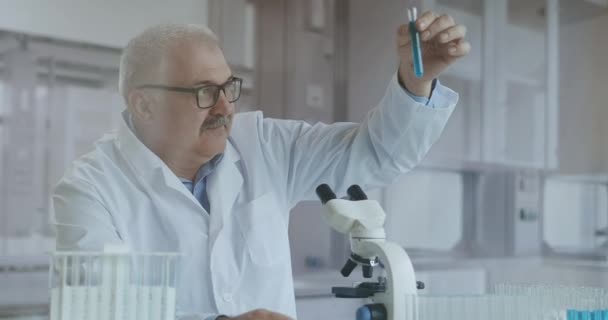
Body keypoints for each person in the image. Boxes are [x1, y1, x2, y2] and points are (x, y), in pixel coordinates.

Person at [52, 10, 469, 320]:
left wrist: (417, 81)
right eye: (203, 92)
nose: (223, 107)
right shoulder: (92, 187)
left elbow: (377, 155)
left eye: (227, 88)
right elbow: (97, 308)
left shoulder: (264, 145)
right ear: (144, 104)